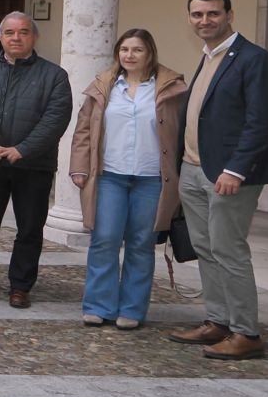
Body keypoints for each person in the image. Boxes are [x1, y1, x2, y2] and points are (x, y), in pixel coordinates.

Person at [166, 0, 268, 360]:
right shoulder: (208, 56)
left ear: (230, 15)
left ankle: (247, 332)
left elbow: (259, 121)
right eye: (197, 15)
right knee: (206, 248)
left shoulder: (254, 59)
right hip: (194, 168)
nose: (205, 21)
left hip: (229, 175)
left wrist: (236, 169)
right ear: (189, 18)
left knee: (229, 249)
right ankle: (218, 321)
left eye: (213, 14)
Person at [0, 12, 73, 308]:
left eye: (22, 32)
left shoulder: (54, 75)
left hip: (33, 164)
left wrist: (23, 148)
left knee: (30, 228)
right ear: (0, 36)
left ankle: (20, 286)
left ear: (34, 37)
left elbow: (56, 118)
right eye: (9, 33)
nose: (16, 38)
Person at [70, 28, 185, 330]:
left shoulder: (171, 89)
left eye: (137, 50)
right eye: (124, 50)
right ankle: (99, 306)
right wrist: (80, 167)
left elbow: (184, 132)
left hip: (151, 179)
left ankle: (132, 309)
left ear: (150, 54)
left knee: (140, 243)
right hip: (110, 176)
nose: (130, 55)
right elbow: (83, 130)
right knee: (104, 240)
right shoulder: (104, 87)